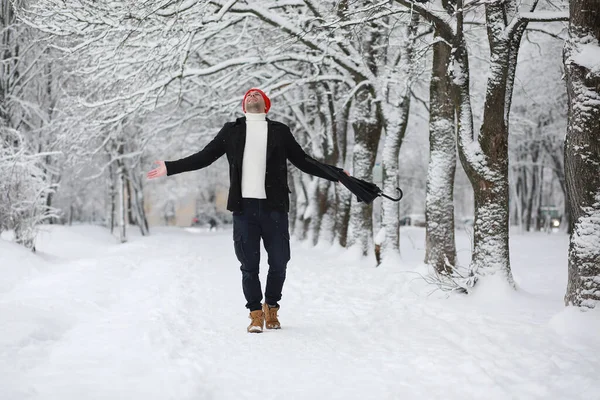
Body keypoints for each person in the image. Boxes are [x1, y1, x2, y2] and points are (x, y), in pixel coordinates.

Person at [147, 88, 348, 333]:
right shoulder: (231, 131)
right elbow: (204, 157)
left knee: (279, 261)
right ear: (244, 106)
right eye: (248, 96)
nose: (252, 96)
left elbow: (303, 161)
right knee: (249, 264)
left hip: (275, 207)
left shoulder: (279, 131)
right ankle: (255, 314)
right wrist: (170, 167)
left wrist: (337, 175)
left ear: (265, 104)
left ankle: (271, 306)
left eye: (257, 95)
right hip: (244, 209)